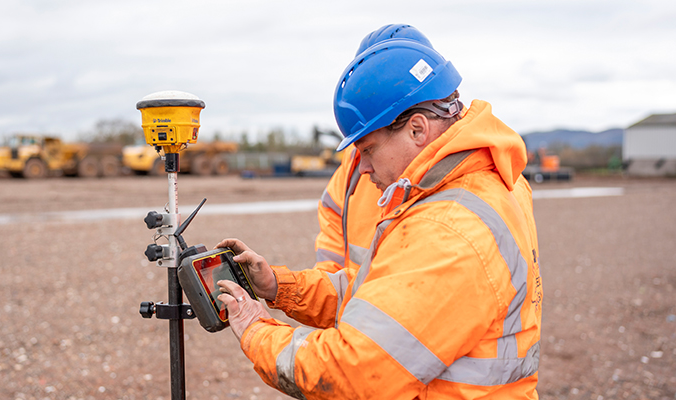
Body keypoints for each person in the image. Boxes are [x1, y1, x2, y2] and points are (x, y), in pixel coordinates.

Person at [214, 24, 543, 399]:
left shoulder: (447, 229)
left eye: (368, 149)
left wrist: (255, 328)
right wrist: (276, 285)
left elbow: (354, 374)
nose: (362, 168)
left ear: (417, 129)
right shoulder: (488, 181)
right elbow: (378, 300)